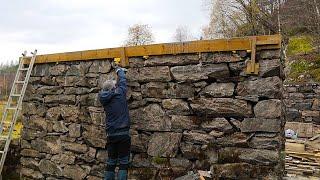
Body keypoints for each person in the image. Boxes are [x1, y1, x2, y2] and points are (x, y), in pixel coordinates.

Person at [99, 67, 131, 180]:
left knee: (111, 161)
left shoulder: (103, 98)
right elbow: (122, 81)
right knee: (123, 162)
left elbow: (117, 85)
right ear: (114, 88)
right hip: (123, 133)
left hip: (111, 134)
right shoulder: (120, 93)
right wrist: (119, 71)